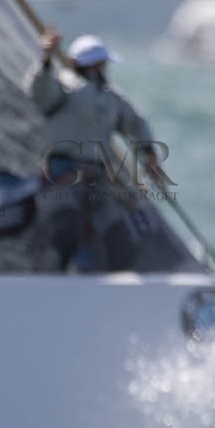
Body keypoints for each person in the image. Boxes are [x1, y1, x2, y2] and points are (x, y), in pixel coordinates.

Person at [24, 26, 163, 269]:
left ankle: (113, 280)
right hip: (63, 172)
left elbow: (135, 123)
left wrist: (148, 154)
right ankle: (52, 279)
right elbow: (40, 91)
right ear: (95, 65)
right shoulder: (64, 86)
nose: (105, 69)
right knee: (64, 225)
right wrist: (46, 59)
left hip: (98, 174)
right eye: (103, 64)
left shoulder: (110, 97)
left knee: (115, 227)